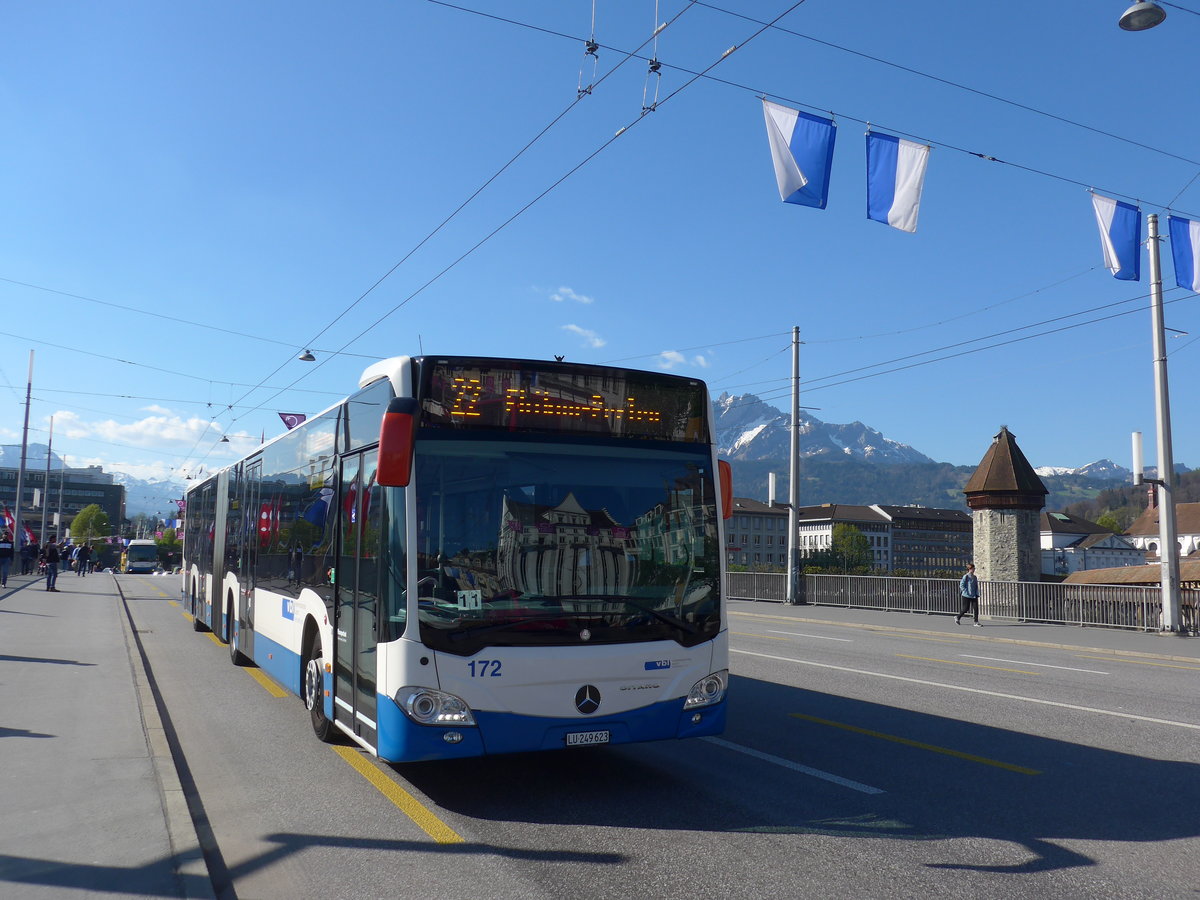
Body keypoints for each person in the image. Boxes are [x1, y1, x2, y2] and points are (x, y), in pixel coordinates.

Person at [956, 562, 980, 627]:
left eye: (974, 568)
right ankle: (958, 617)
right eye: (973, 568)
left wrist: (977, 593)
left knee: (976, 608)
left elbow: (975, 586)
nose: (974, 569)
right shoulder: (966, 576)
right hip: (966, 595)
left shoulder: (975, 577)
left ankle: (976, 622)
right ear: (970, 569)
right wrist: (965, 591)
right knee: (965, 609)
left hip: (974, 595)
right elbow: (961, 585)